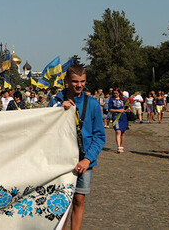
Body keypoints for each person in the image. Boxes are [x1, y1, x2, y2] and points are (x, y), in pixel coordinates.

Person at [48, 65, 106, 230]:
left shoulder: (93, 104)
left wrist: (88, 159)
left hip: (84, 161)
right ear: (66, 81)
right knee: (61, 202)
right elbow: (44, 126)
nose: (79, 85)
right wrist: (59, 111)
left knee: (79, 200)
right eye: (75, 81)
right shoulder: (55, 100)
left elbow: (100, 136)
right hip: (60, 160)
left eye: (82, 81)